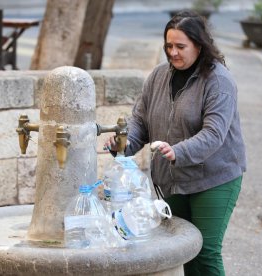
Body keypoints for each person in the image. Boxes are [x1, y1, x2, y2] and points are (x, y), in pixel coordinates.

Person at [104, 11, 246, 276]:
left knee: (205, 252)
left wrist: (176, 151)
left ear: (199, 46)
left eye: (180, 46)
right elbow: (140, 122)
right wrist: (123, 144)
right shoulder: (158, 76)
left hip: (214, 178)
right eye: (168, 46)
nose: (173, 53)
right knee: (183, 251)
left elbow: (214, 134)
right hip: (173, 178)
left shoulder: (220, 81)